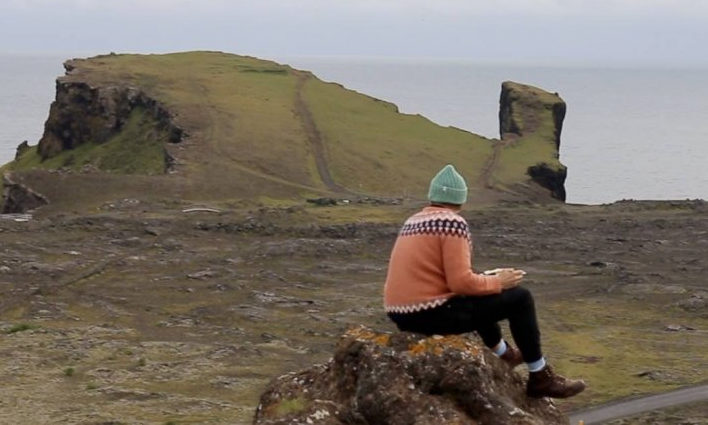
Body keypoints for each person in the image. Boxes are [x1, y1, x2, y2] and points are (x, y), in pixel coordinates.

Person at [383, 164, 586, 399]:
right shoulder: (451, 223)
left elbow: (446, 279)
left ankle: (504, 353)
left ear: (433, 195)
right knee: (521, 299)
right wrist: (499, 282)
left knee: (481, 291)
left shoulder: (413, 221)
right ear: (461, 198)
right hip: (430, 314)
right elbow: (461, 283)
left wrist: (488, 279)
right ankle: (540, 376)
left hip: (401, 313)